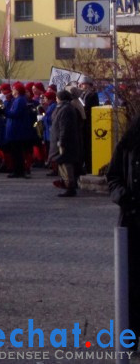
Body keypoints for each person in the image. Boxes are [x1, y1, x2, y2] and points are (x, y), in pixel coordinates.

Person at [107, 113, 140, 341]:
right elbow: (113, 177)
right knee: (132, 282)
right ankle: (129, 335)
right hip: (132, 220)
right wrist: (122, 196)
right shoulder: (129, 143)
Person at [49, 90, 81, 197]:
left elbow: (64, 127)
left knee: (66, 163)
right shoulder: (62, 108)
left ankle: (70, 186)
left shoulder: (66, 109)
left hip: (64, 141)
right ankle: (66, 184)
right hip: (59, 139)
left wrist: (61, 141)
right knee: (62, 163)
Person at [4, 83, 35, 179]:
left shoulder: (20, 100)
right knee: (16, 152)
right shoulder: (17, 100)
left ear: (17, 90)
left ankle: (18, 171)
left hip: (17, 130)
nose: (12, 90)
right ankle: (18, 170)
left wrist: (4, 112)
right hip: (15, 130)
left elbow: (15, 113)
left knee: (17, 152)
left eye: (13, 89)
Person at [78, 76, 99, 174]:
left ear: (88, 85)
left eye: (83, 84)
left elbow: (89, 108)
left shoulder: (91, 95)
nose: (81, 86)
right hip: (84, 124)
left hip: (89, 123)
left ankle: (89, 166)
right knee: (84, 147)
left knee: (88, 147)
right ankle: (86, 165)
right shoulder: (83, 95)